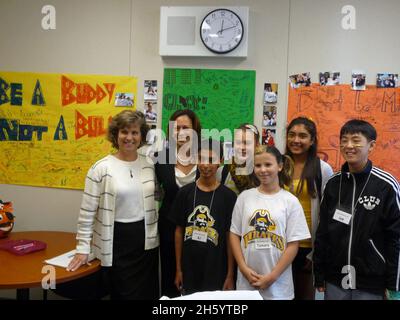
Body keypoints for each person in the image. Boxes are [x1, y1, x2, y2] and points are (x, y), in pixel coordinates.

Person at [67, 110, 159, 300]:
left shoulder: (148, 164)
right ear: (115, 135)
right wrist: (82, 248)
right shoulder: (101, 168)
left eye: (135, 132)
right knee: (124, 296)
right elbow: (87, 213)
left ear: (141, 136)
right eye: (124, 132)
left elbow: (155, 196)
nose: (129, 137)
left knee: (147, 294)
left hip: (146, 242)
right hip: (117, 243)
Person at [313, 119, 400, 300]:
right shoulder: (333, 184)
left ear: (371, 145)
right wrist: (319, 274)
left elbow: (395, 238)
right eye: (344, 140)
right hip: (335, 279)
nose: (348, 145)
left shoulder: (386, 185)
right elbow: (322, 233)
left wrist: (394, 283)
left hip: (372, 282)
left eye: (355, 140)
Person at [230, 145, 311, 300]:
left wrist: (272, 276)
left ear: (280, 166)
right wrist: (243, 268)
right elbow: (234, 235)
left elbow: (293, 244)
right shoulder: (244, 198)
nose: (263, 170)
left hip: (279, 287)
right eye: (258, 165)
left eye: (268, 165)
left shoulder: (290, 201)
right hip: (247, 283)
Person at [170, 139, 237, 294]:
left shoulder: (229, 197)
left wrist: (230, 274)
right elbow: (179, 232)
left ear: (220, 161)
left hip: (216, 270)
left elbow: (229, 237)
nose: (206, 165)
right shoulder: (184, 193)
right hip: (189, 269)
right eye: (201, 158)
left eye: (212, 160)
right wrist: (178, 269)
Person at [284, 117, 333, 300]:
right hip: (279, 244)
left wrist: (315, 253)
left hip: (306, 247)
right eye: (292, 135)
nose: (296, 140)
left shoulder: (323, 169)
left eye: (303, 136)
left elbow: (326, 214)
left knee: (303, 295)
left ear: (312, 140)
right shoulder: (278, 165)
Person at [154, 109, 202, 297]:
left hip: (200, 229)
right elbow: (156, 193)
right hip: (168, 229)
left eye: (186, 128)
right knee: (170, 281)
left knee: (197, 282)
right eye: (176, 128)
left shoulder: (206, 156)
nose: (181, 132)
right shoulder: (160, 158)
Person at [217, 123, 260, 195]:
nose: (242, 147)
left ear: (257, 145)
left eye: (247, 143)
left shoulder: (263, 172)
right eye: (238, 142)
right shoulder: (222, 172)